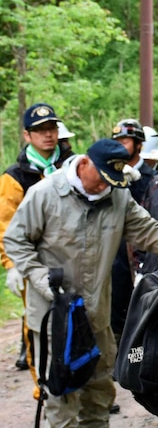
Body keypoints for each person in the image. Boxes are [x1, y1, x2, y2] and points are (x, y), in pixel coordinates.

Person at [4, 139, 158, 428]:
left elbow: (149, 233)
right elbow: (15, 240)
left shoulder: (117, 197)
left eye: (112, 182)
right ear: (84, 164)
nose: (104, 187)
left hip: (96, 316)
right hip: (54, 317)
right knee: (61, 398)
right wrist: (37, 275)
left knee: (99, 395)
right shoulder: (45, 194)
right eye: (102, 179)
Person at [0, 103, 73, 390]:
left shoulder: (71, 166)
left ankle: (80, 380)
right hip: (33, 261)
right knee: (38, 324)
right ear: (27, 135)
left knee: (79, 318)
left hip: (73, 256)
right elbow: (4, 225)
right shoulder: (14, 177)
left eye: (52, 128)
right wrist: (12, 265)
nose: (48, 135)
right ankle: (42, 385)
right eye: (40, 130)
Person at [109, 119, 157, 341]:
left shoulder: (151, 177)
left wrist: (135, 184)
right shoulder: (108, 175)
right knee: (114, 298)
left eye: (125, 140)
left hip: (142, 246)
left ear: (139, 144)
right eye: (116, 140)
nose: (120, 145)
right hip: (115, 246)